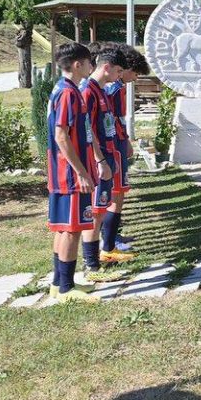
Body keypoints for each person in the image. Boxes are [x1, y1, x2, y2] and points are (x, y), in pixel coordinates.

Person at [45, 43, 99, 303]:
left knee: (63, 228)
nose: (92, 67)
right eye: (90, 62)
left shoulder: (63, 89)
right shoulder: (68, 93)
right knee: (71, 228)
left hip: (61, 173)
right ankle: (66, 289)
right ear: (78, 64)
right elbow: (61, 136)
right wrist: (81, 172)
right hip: (68, 174)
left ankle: (59, 283)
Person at [79, 45, 134, 283]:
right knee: (96, 211)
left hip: (108, 156)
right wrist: (99, 159)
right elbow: (86, 130)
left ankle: (101, 256)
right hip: (98, 161)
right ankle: (91, 266)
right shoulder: (88, 91)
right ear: (106, 67)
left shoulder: (100, 89)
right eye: (118, 71)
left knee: (101, 209)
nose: (119, 76)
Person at [103, 44, 150, 255]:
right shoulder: (111, 89)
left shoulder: (117, 87)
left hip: (118, 140)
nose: (135, 78)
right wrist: (124, 140)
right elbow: (111, 119)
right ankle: (109, 243)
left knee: (119, 191)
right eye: (135, 73)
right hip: (113, 143)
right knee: (116, 192)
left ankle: (113, 236)